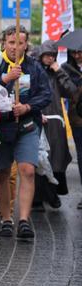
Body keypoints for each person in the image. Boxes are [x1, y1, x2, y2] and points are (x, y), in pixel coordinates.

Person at [0, 26, 51, 240]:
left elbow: (45, 94)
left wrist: (28, 107)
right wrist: (5, 79)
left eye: (20, 43)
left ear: (26, 44)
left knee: (27, 170)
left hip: (27, 125)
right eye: (11, 43)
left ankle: (23, 220)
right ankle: (5, 219)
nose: (15, 47)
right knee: (2, 173)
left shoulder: (34, 66)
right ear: (4, 43)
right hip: (2, 127)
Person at [35, 41, 77, 209]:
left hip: (56, 121)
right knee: (39, 158)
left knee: (57, 158)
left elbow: (72, 92)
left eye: (53, 55)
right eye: (47, 55)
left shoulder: (57, 73)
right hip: (38, 119)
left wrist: (59, 72)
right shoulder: (34, 71)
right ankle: (39, 197)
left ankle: (53, 193)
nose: (50, 58)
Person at [61, 47, 82, 209]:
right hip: (77, 119)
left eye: (80, 52)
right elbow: (68, 93)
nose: (77, 56)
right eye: (73, 53)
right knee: (81, 156)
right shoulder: (67, 69)